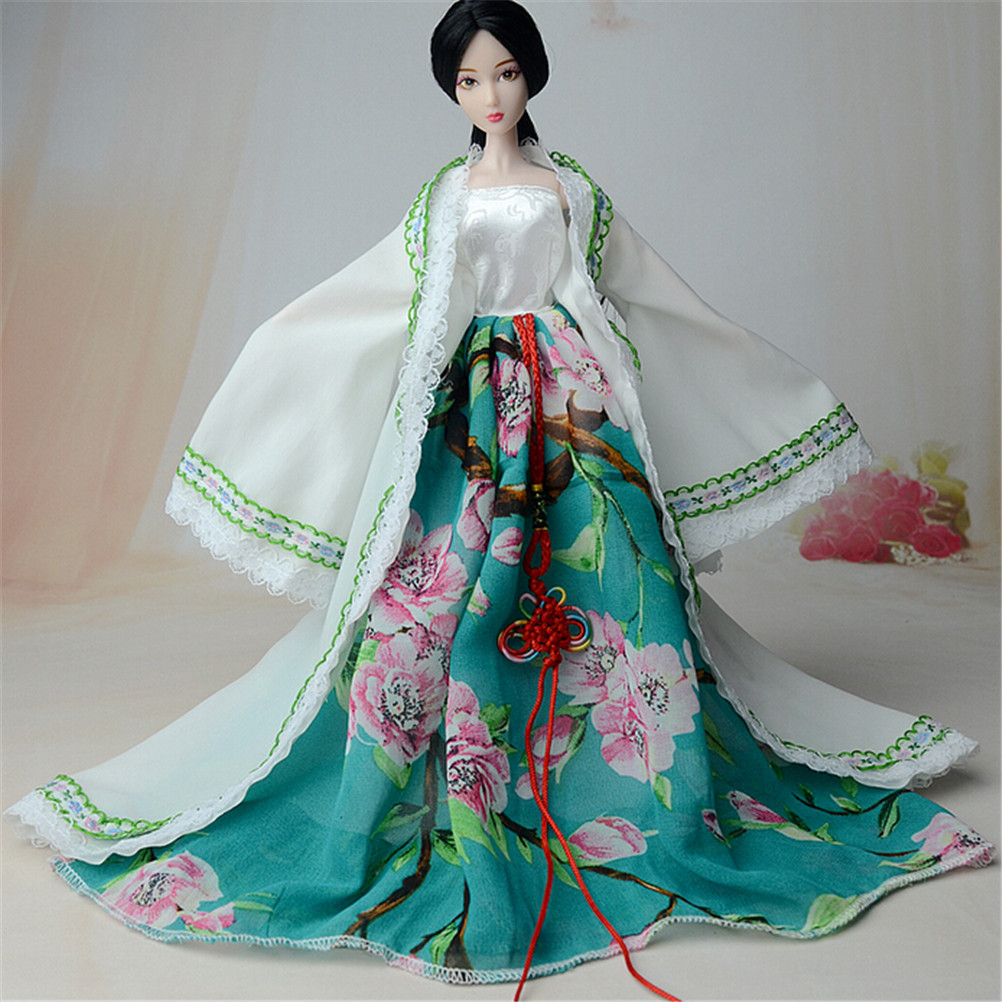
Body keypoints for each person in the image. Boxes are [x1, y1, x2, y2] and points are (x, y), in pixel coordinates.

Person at [6, 1, 993, 995]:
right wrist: (281, 351)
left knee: (617, 577)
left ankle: (622, 771)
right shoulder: (444, 196)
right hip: (473, 414)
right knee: (432, 595)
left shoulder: (572, 191)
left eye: (505, 74)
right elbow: (377, 297)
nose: (489, 95)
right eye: (470, 80)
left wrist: (765, 387)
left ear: (533, 76)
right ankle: (456, 764)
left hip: (571, 405)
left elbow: (655, 296)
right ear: (452, 89)